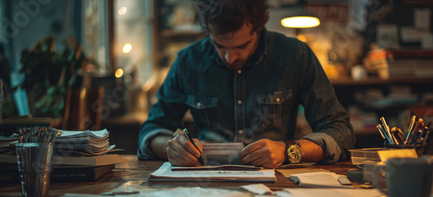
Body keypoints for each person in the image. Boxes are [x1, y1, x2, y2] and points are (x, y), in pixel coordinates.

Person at [138, 0, 355, 168]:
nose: (229, 58)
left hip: (276, 184)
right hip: (204, 184)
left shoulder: (295, 56)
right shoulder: (188, 61)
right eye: (219, 45)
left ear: (259, 27)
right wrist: (173, 148)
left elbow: (340, 132)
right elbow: (152, 130)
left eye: (241, 46)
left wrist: (288, 151)